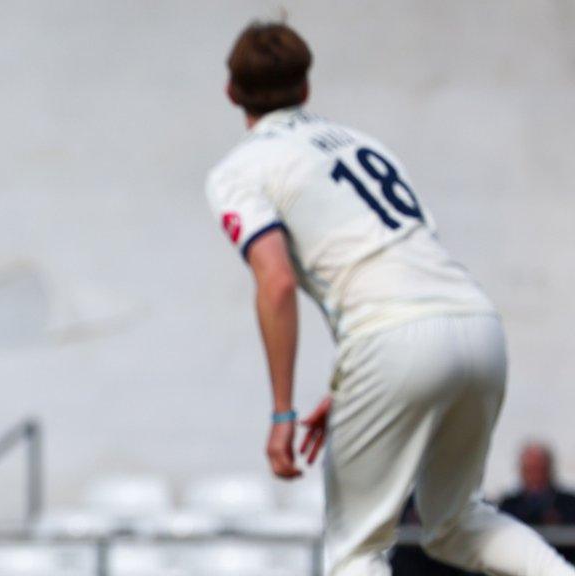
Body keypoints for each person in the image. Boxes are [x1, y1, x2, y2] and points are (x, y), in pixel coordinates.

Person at [204, 21, 575, 576]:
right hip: (475, 323)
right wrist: (353, 383)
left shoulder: (240, 169)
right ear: (306, 88)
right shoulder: (363, 143)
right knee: (455, 522)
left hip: (391, 341)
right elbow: (399, 259)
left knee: (355, 549)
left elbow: (276, 281)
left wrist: (283, 412)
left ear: (230, 91)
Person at [501, 442, 575, 525]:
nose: (535, 476)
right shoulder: (509, 506)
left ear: (549, 470)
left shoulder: (569, 504)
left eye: (539, 470)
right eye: (530, 471)